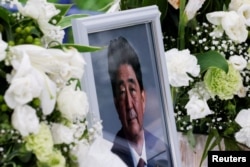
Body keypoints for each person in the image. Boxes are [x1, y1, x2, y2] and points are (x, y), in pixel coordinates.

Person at [107, 36, 171, 167]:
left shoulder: (166, 150)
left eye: (132, 89)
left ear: (143, 97)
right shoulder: (109, 158)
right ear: (116, 104)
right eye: (122, 93)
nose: (129, 104)